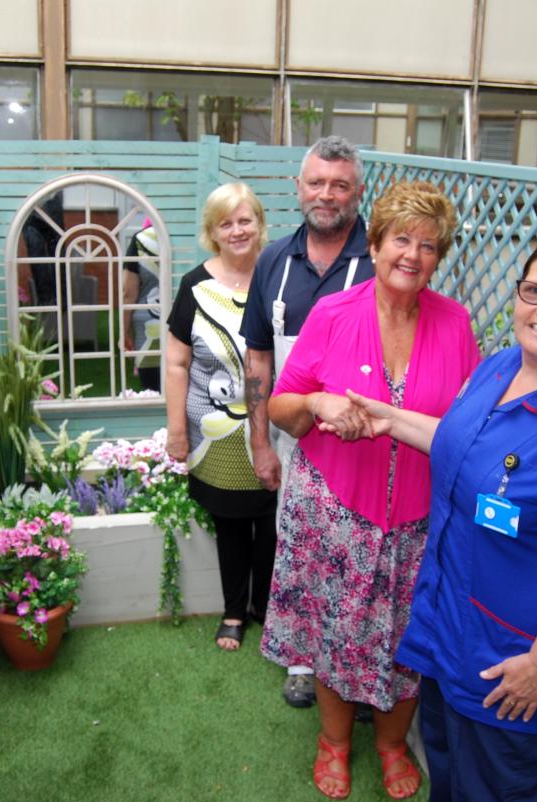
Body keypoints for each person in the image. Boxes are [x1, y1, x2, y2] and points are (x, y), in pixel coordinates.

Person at [345, 228, 537, 802]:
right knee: (451, 783)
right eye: (534, 291)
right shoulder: (499, 369)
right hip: (450, 638)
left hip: (514, 671)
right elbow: (464, 448)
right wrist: (390, 419)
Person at [262, 181, 482, 800]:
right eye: (402, 239)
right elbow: (281, 408)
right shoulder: (332, 312)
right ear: (377, 243)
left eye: (430, 245)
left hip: (418, 518)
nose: (413, 254)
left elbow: (465, 427)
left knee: (407, 637)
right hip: (334, 509)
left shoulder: (456, 322)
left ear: (440, 257)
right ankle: (334, 741)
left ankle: (390, 745)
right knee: (337, 629)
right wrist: (315, 399)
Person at [240, 135, 373, 708]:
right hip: (291, 434)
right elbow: (259, 357)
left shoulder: (379, 259)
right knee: (298, 550)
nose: (326, 195)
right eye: (316, 183)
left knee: (360, 555)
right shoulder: (274, 258)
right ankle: (300, 659)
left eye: (340, 185)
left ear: (359, 193)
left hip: (359, 439)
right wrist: (260, 442)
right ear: (297, 188)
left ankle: (355, 668)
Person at [164, 183, 276, 651]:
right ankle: (234, 610)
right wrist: (175, 430)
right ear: (212, 231)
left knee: (272, 522)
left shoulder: (278, 277)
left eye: (245, 220)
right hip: (216, 432)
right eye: (226, 223)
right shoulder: (194, 285)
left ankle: (265, 608)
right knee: (230, 524)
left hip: (274, 426)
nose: (237, 230)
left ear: (259, 224)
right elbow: (175, 362)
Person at [123, 222, 162, 391]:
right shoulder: (194, 235)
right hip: (188, 326)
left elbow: (128, 292)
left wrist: (123, 331)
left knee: (152, 392)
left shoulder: (141, 240)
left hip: (147, 329)